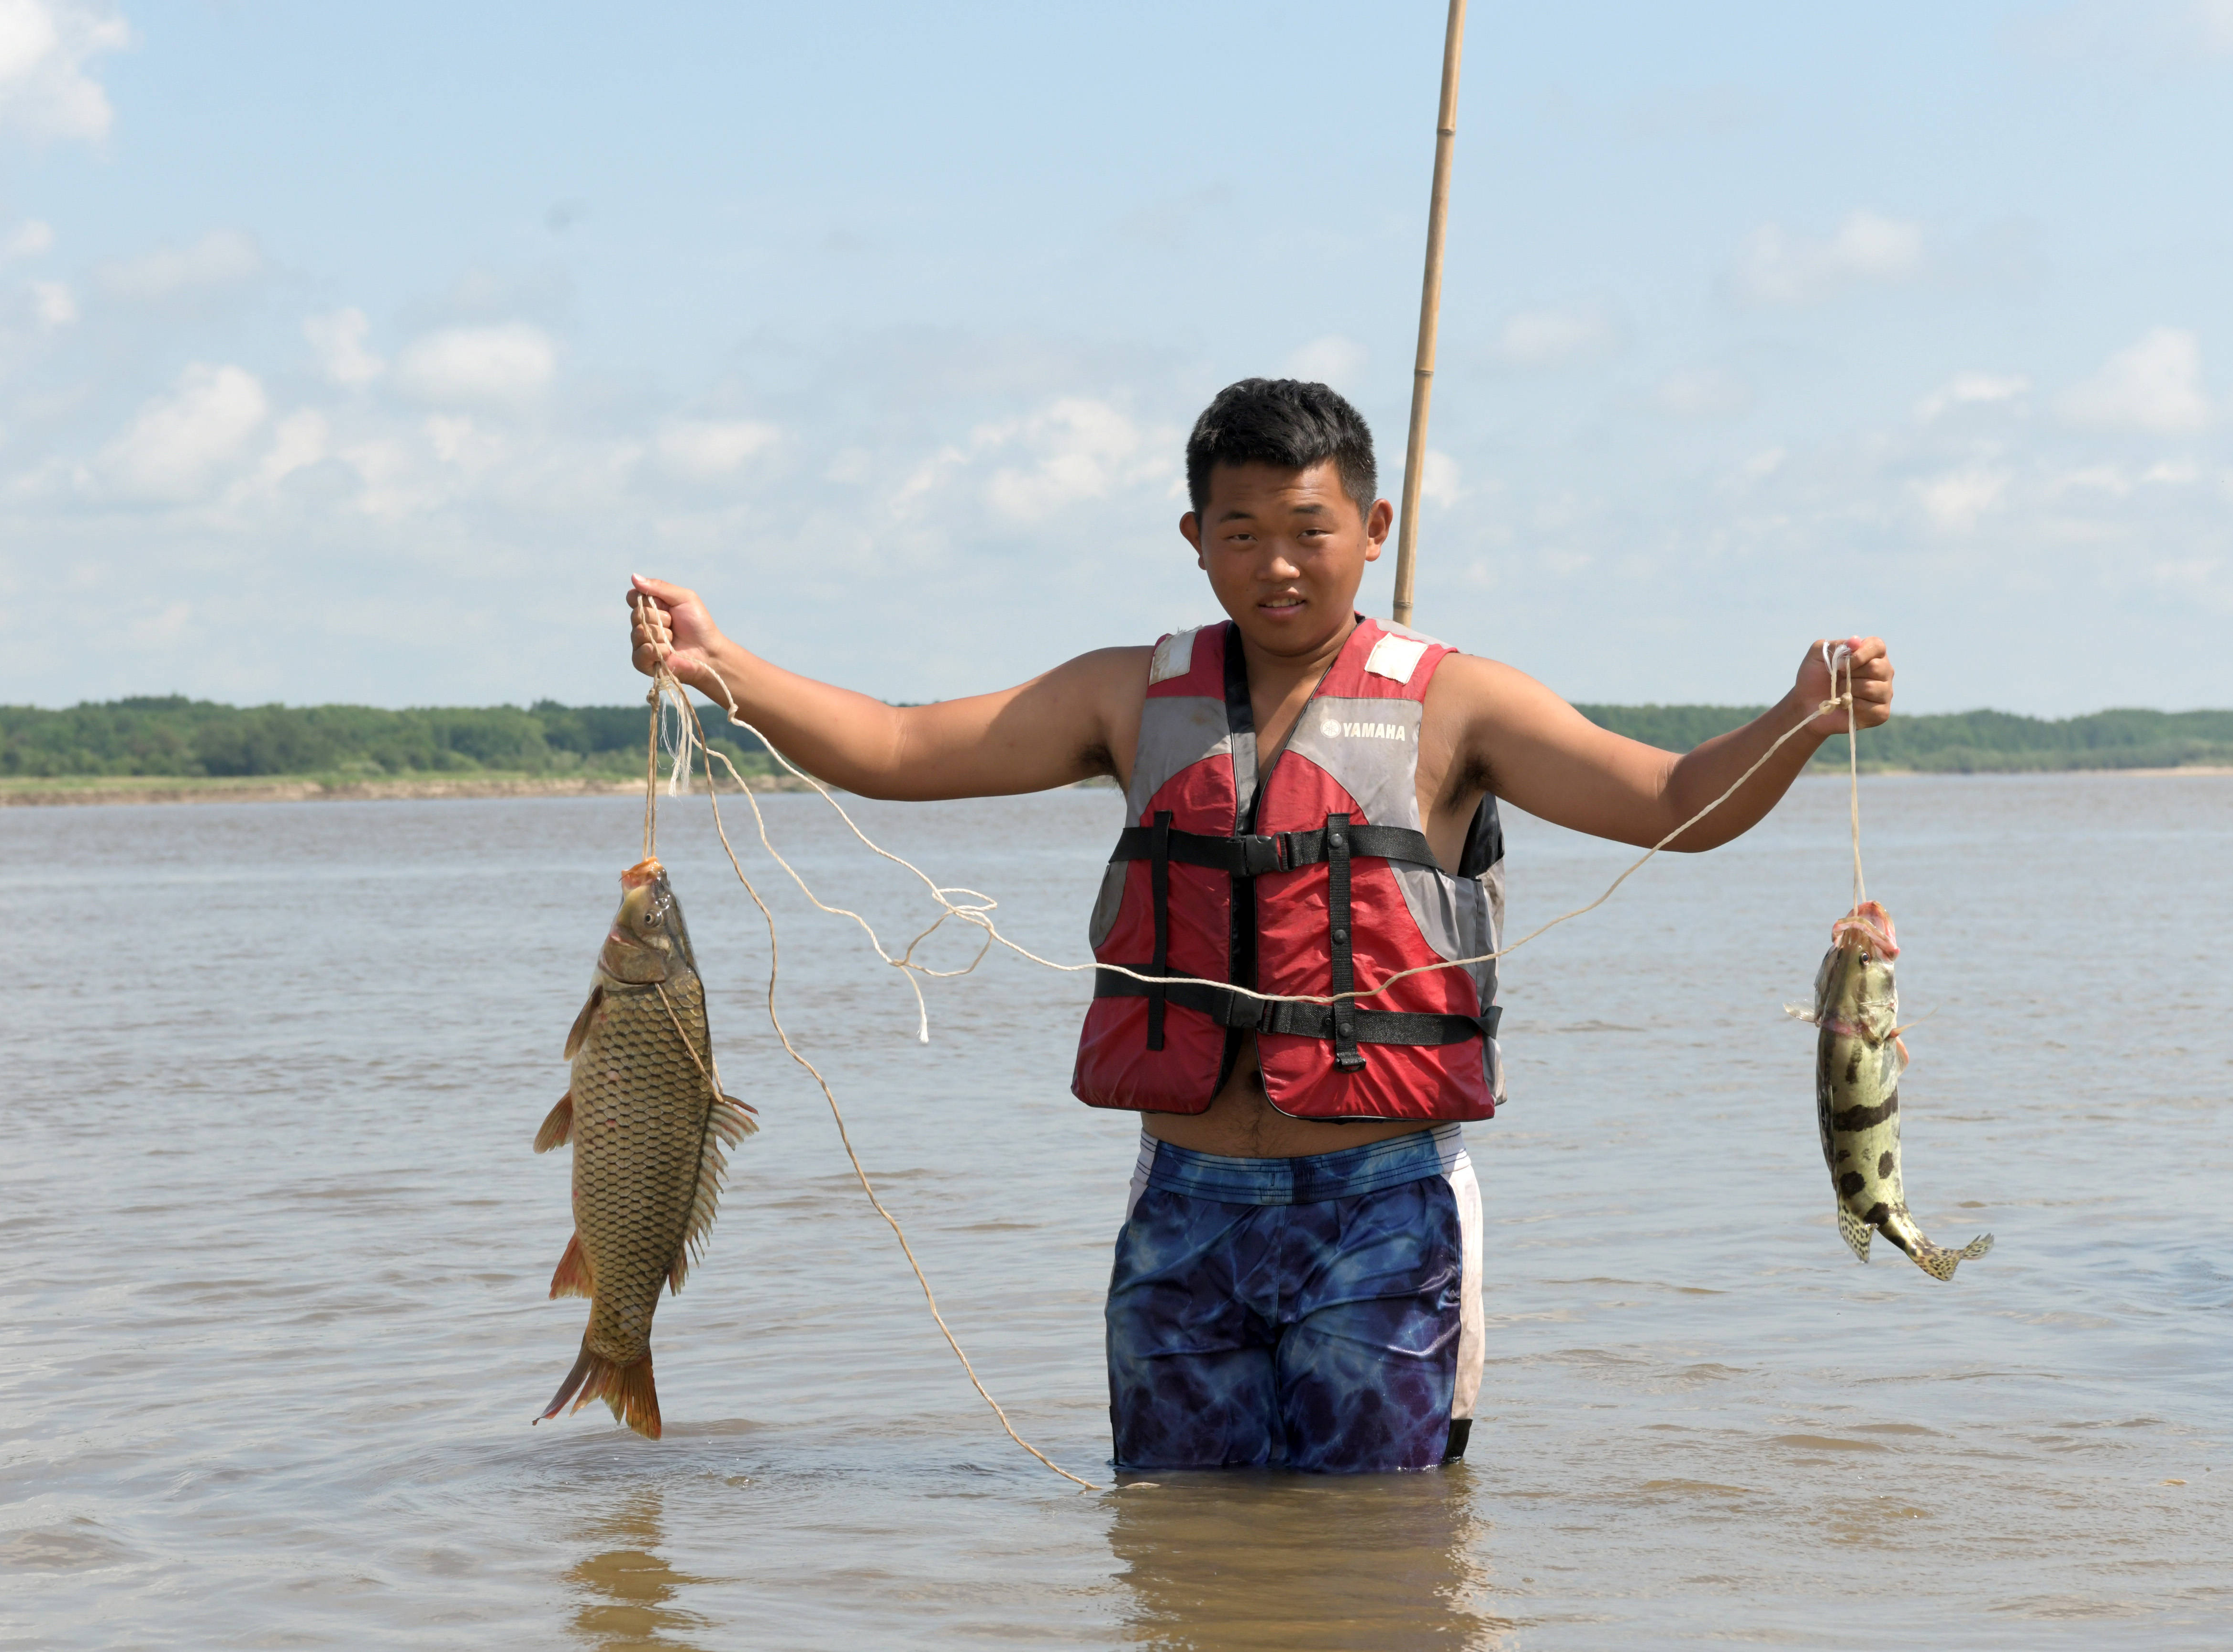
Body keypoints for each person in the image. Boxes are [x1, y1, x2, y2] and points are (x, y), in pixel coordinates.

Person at [626, 377, 1893, 1475]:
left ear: (1371, 528)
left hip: (1382, 1210)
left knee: (1373, 1562)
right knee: (1177, 1545)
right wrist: (720, 662)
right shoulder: (1128, 694)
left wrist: (1798, 717)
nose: (1275, 565)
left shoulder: (1460, 704)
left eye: (1308, 529)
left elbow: (1675, 802)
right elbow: (900, 748)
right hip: (1183, 1204)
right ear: (1193, 536)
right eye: (1240, 532)